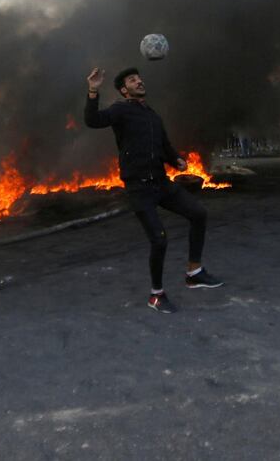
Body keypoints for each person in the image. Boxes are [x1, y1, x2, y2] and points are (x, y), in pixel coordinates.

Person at [84, 67, 224, 314]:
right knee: (159, 240)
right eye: (132, 80)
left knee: (199, 213)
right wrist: (93, 90)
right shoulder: (120, 110)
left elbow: (164, 145)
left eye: (139, 78)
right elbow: (92, 121)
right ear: (124, 90)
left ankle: (194, 272)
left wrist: (176, 160)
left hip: (161, 183)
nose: (139, 81)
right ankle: (156, 295)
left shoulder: (152, 116)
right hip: (139, 188)